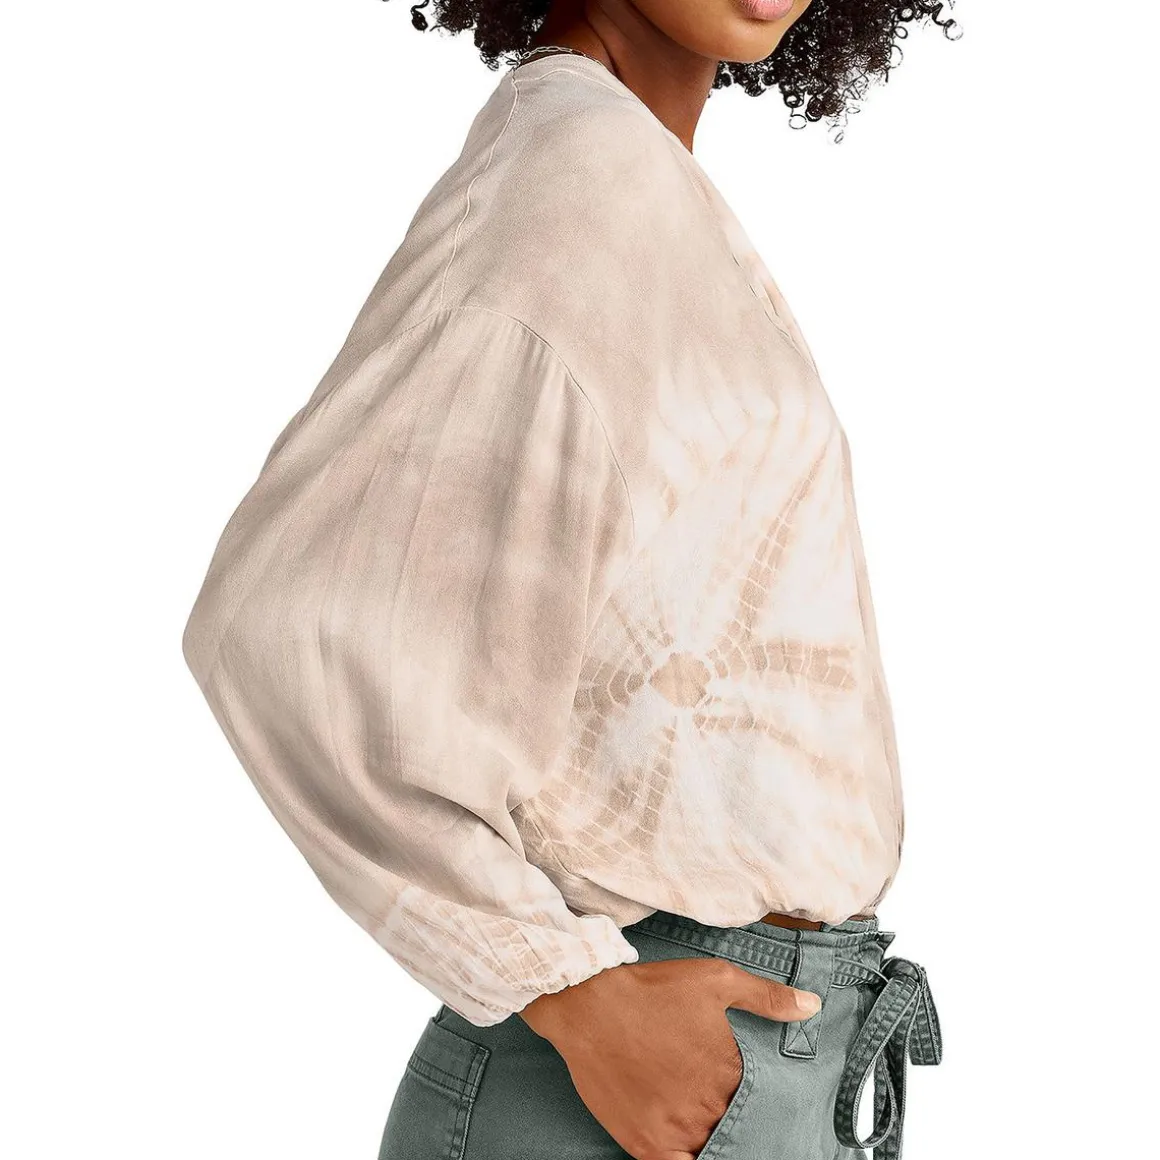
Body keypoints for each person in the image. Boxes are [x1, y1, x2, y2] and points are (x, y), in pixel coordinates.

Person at [181, 2, 958, 1157]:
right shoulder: (580, 182)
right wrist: (570, 990)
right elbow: (276, 628)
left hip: (745, 1068)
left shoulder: (631, 176)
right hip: (621, 1087)